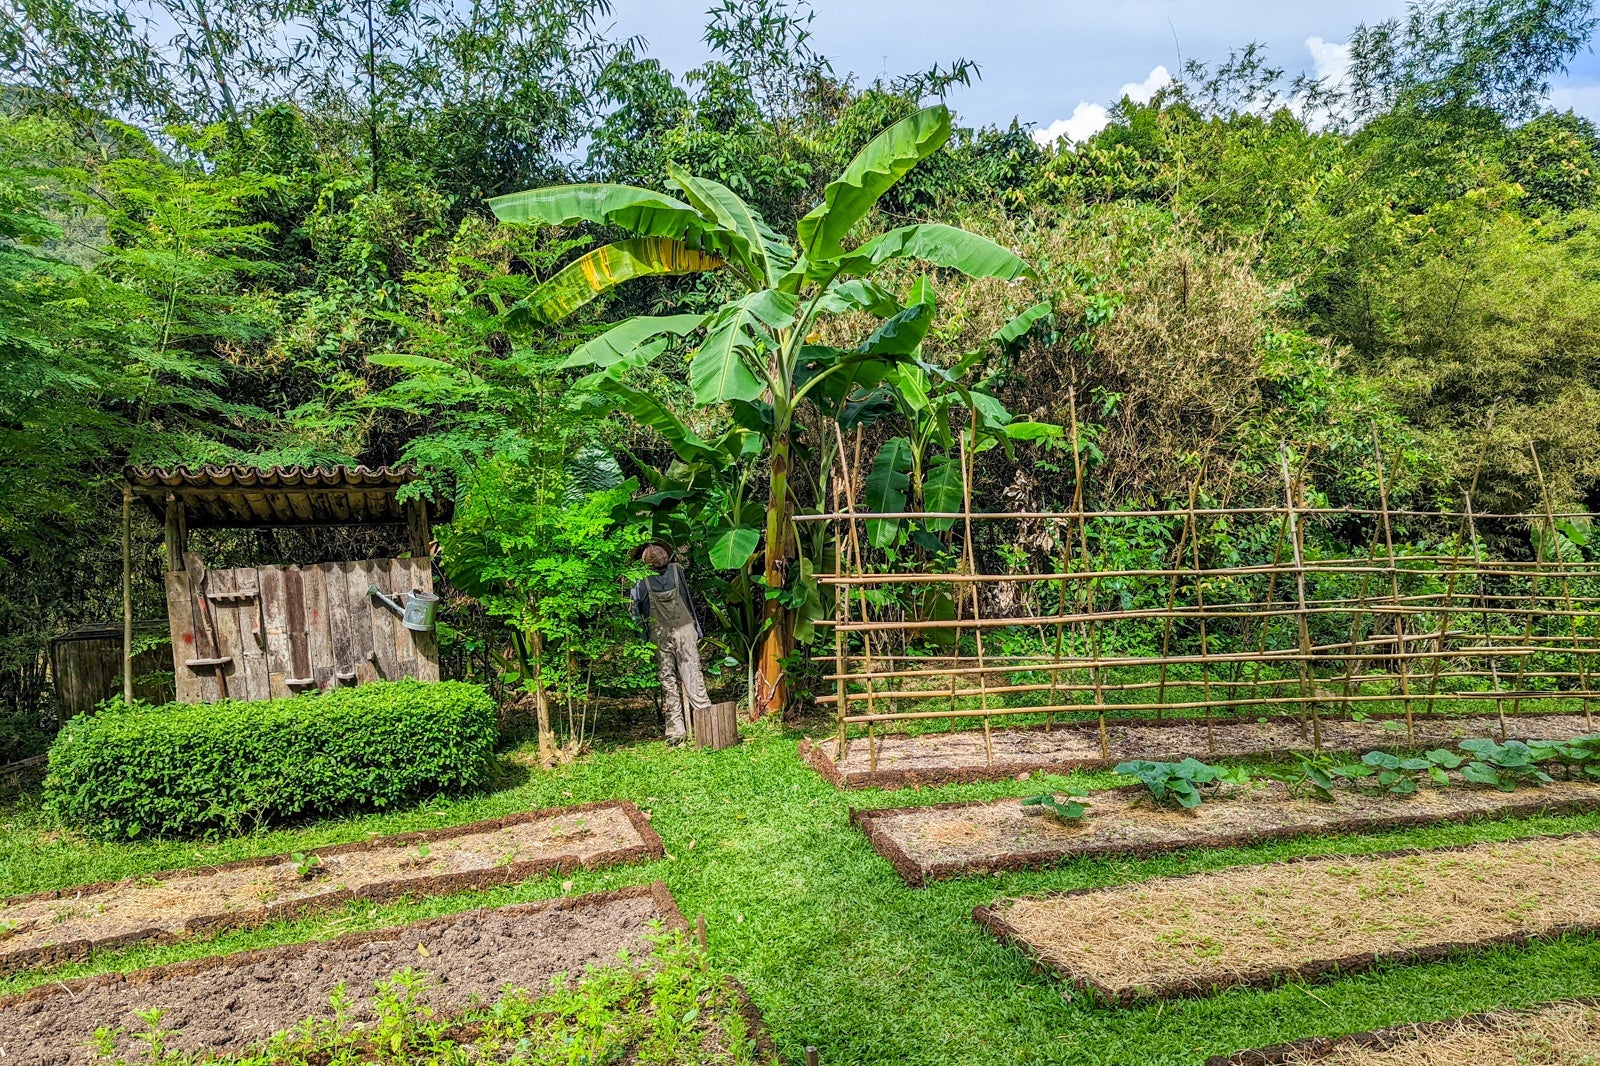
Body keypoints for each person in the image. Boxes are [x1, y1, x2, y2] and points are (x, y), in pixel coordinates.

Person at [630, 544, 711, 746]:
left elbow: (635, 614)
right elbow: (688, 600)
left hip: (659, 635)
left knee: (668, 682)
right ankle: (706, 722)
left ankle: (678, 731)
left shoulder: (639, 579)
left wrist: (642, 642)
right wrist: (698, 629)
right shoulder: (677, 571)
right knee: (693, 675)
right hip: (684, 631)